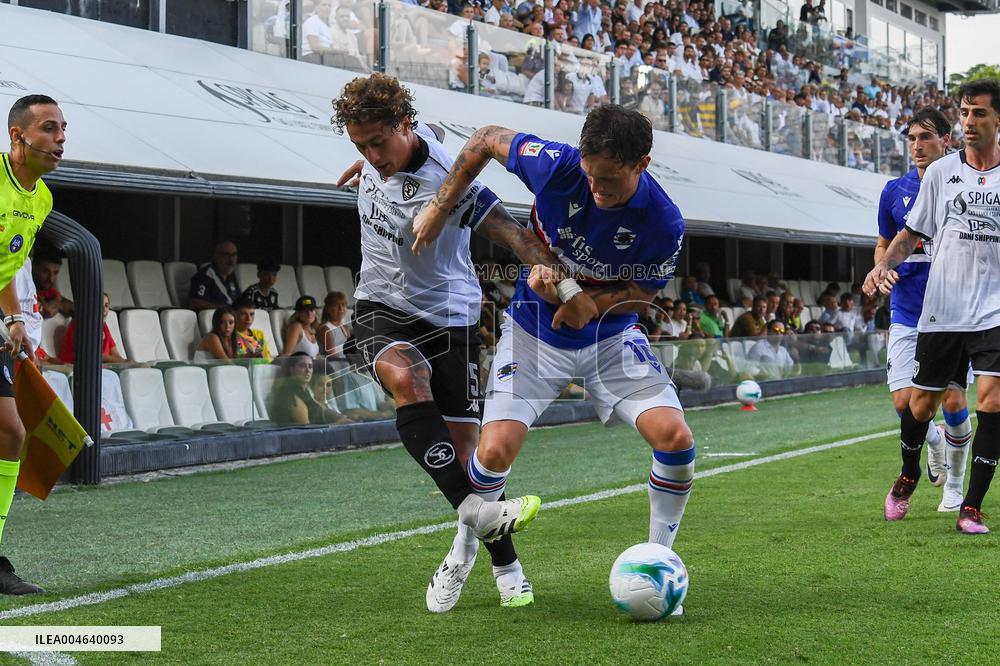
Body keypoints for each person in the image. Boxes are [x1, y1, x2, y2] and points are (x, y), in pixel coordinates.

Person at [413, 104, 694, 616]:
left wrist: (589, 303)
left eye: (609, 180)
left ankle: (659, 559)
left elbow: (641, 292)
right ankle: (462, 551)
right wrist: (439, 204)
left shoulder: (664, 222)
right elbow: (483, 138)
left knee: (676, 440)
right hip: (532, 334)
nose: (595, 189)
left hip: (612, 341)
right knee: (495, 449)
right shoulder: (558, 165)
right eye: (590, 175)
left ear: (642, 165)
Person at [332, 74, 594, 612]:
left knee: (473, 456)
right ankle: (477, 515)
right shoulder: (402, 141)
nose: (370, 154)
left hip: (450, 315)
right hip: (379, 303)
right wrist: (374, 164)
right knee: (407, 377)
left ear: (403, 126)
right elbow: (415, 145)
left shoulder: (448, 186)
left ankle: (498, 562)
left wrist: (567, 287)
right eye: (359, 146)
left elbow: (518, 236)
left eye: (377, 143)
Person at [864, 80, 1000, 534]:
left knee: (991, 400)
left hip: (994, 310)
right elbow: (908, 235)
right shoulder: (943, 174)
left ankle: (970, 504)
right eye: (964, 113)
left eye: (978, 113)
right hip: (940, 310)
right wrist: (883, 265)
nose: (968, 122)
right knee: (918, 407)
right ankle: (908, 475)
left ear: (997, 120)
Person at [0, 94, 67, 594]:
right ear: (17, 136)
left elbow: (5, 263)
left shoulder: (40, 198)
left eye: (63, 129)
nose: (61, 138)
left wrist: (12, 318)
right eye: (49, 128)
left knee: (11, 434)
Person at [270, 351, 347, 425]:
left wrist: (342, 418)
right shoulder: (291, 397)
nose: (308, 371)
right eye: (302, 366)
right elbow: (306, 431)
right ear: (292, 369)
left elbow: (323, 410)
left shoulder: (305, 391)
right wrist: (338, 424)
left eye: (310, 366)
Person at [58, 293, 126, 365]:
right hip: (76, 367)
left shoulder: (103, 325)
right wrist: (125, 362)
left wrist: (126, 363)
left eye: (106, 306)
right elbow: (94, 355)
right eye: (99, 305)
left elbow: (115, 353)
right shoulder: (79, 324)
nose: (104, 309)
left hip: (101, 366)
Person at [189, 241, 240, 311]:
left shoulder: (231, 275)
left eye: (234, 255)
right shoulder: (205, 275)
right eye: (226, 255)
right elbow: (195, 303)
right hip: (213, 317)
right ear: (216, 256)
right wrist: (223, 309)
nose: (231, 260)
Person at [31, 246, 73, 318]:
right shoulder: (21, 290)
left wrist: (57, 303)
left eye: (55, 272)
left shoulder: (50, 293)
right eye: (45, 271)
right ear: (34, 267)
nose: (51, 278)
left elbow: (73, 308)